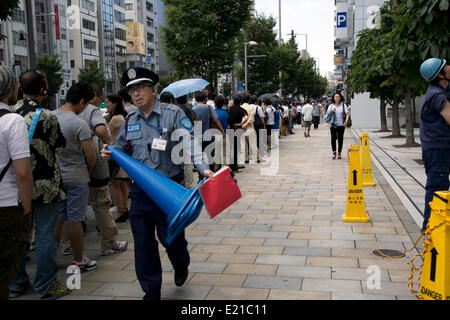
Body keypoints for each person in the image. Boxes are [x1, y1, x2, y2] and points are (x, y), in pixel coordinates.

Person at [101, 67, 214, 301]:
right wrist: (110, 151)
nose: (136, 94)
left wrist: (203, 168)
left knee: (171, 240)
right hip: (140, 192)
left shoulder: (173, 114)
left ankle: (181, 263)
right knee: (143, 244)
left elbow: (190, 142)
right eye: (132, 91)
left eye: (141, 88)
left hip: (168, 191)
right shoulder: (130, 119)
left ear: (154, 90)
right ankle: (151, 292)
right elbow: (121, 147)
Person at [9, 70, 70, 299]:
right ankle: (45, 286)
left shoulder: (8, 114)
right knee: (45, 236)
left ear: (21, 89)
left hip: (15, 185)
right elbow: (60, 147)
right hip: (46, 185)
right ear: (43, 90)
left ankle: (16, 283)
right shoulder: (46, 115)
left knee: (18, 235)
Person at [78, 84, 128, 256]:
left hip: (73, 168)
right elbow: (101, 130)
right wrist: (106, 144)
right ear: (95, 96)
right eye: (102, 99)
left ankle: (66, 245)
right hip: (94, 165)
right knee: (101, 204)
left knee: (72, 210)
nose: (103, 103)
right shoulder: (93, 111)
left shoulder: (69, 111)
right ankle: (109, 243)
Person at [53, 82, 98, 272]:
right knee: (75, 219)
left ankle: (51, 258)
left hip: (56, 177)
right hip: (77, 176)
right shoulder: (79, 123)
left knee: (58, 219)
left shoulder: (51, 117)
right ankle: (78, 260)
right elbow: (91, 156)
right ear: (81, 101)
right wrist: (85, 172)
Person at [0, 66, 33, 300]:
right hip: (7, 208)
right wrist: (27, 205)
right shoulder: (13, 121)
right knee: (4, 271)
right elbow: (23, 173)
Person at [419, 58, 450, 231]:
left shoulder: (441, 90)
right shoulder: (437, 95)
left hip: (439, 147)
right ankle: (430, 230)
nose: (449, 67)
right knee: (438, 188)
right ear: (440, 74)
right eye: (446, 66)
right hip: (438, 149)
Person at [105, 94, 131, 225]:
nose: (106, 105)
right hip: (123, 154)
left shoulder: (115, 119)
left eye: (108, 102)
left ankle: (121, 211)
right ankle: (125, 209)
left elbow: (106, 134)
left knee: (115, 183)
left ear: (115, 104)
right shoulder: (123, 117)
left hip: (116, 153)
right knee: (123, 183)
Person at [192, 91, 225, 174]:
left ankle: (201, 175)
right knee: (209, 157)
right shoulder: (209, 108)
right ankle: (211, 176)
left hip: (197, 138)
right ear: (205, 99)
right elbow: (216, 121)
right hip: (209, 137)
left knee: (200, 158)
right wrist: (222, 131)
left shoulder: (193, 109)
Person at [324, 93, 349, 159]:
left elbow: (347, 114)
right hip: (333, 125)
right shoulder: (331, 106)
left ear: (340, 98)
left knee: (340, 139)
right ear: (333, 98)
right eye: (336, 97)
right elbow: (327, 115)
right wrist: (331, 111)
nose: (337, 98)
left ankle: (339, 153)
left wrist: (346, 122)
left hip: (341, 125)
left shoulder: (343, 105)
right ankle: (334, 152)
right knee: (333, 139)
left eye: (338, 97)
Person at [227, 93, 248, 172]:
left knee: (231, 147)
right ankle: (234, 166)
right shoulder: (241, 109)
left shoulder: (229, 109)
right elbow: (246, 117)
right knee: (236, 147)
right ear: (240, 101)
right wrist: (241, 124)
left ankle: (231, 164)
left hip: (230, 129)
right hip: (238, 129)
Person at [240, 93, 258, 164]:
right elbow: (251, 118)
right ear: (249, 100)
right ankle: (257, 157)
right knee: (253, 144)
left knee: (243, 144)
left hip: (242, 128)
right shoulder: (251, 108)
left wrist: (242, 125)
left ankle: (245, 158)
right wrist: (247, 124)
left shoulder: (240, 107)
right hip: (250, 127)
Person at [213, 95, 229, 170]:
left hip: (216, 135)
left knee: (217, 153)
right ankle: (225, 168)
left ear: (215, 103)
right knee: (225, 153)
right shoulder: (225, 113)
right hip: (225, 134)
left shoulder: (213, 112)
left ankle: (216, 169)